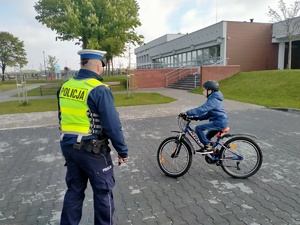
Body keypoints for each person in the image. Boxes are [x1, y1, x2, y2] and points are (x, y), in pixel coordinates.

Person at [57, 49, 128, 225]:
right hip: (93, 151)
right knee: (103, 192)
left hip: (69, 147)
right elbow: (112, 125)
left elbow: (62, 116)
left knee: (74, 191)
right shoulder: (98, 89)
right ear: (98, 65)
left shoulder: (65, 86)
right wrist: (122, 151)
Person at [180, 80, 228, 153]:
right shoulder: (213, 99)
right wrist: (196, 117)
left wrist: (188, 113)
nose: (203, 92)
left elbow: (202, 109)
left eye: (205, 90)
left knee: (198, 128)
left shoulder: (214, 100)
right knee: (206, 138)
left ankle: (208, 147)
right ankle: (216, 154)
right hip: (218, 121)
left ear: (210, 91)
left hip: (219, 122)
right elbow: (208, 114)